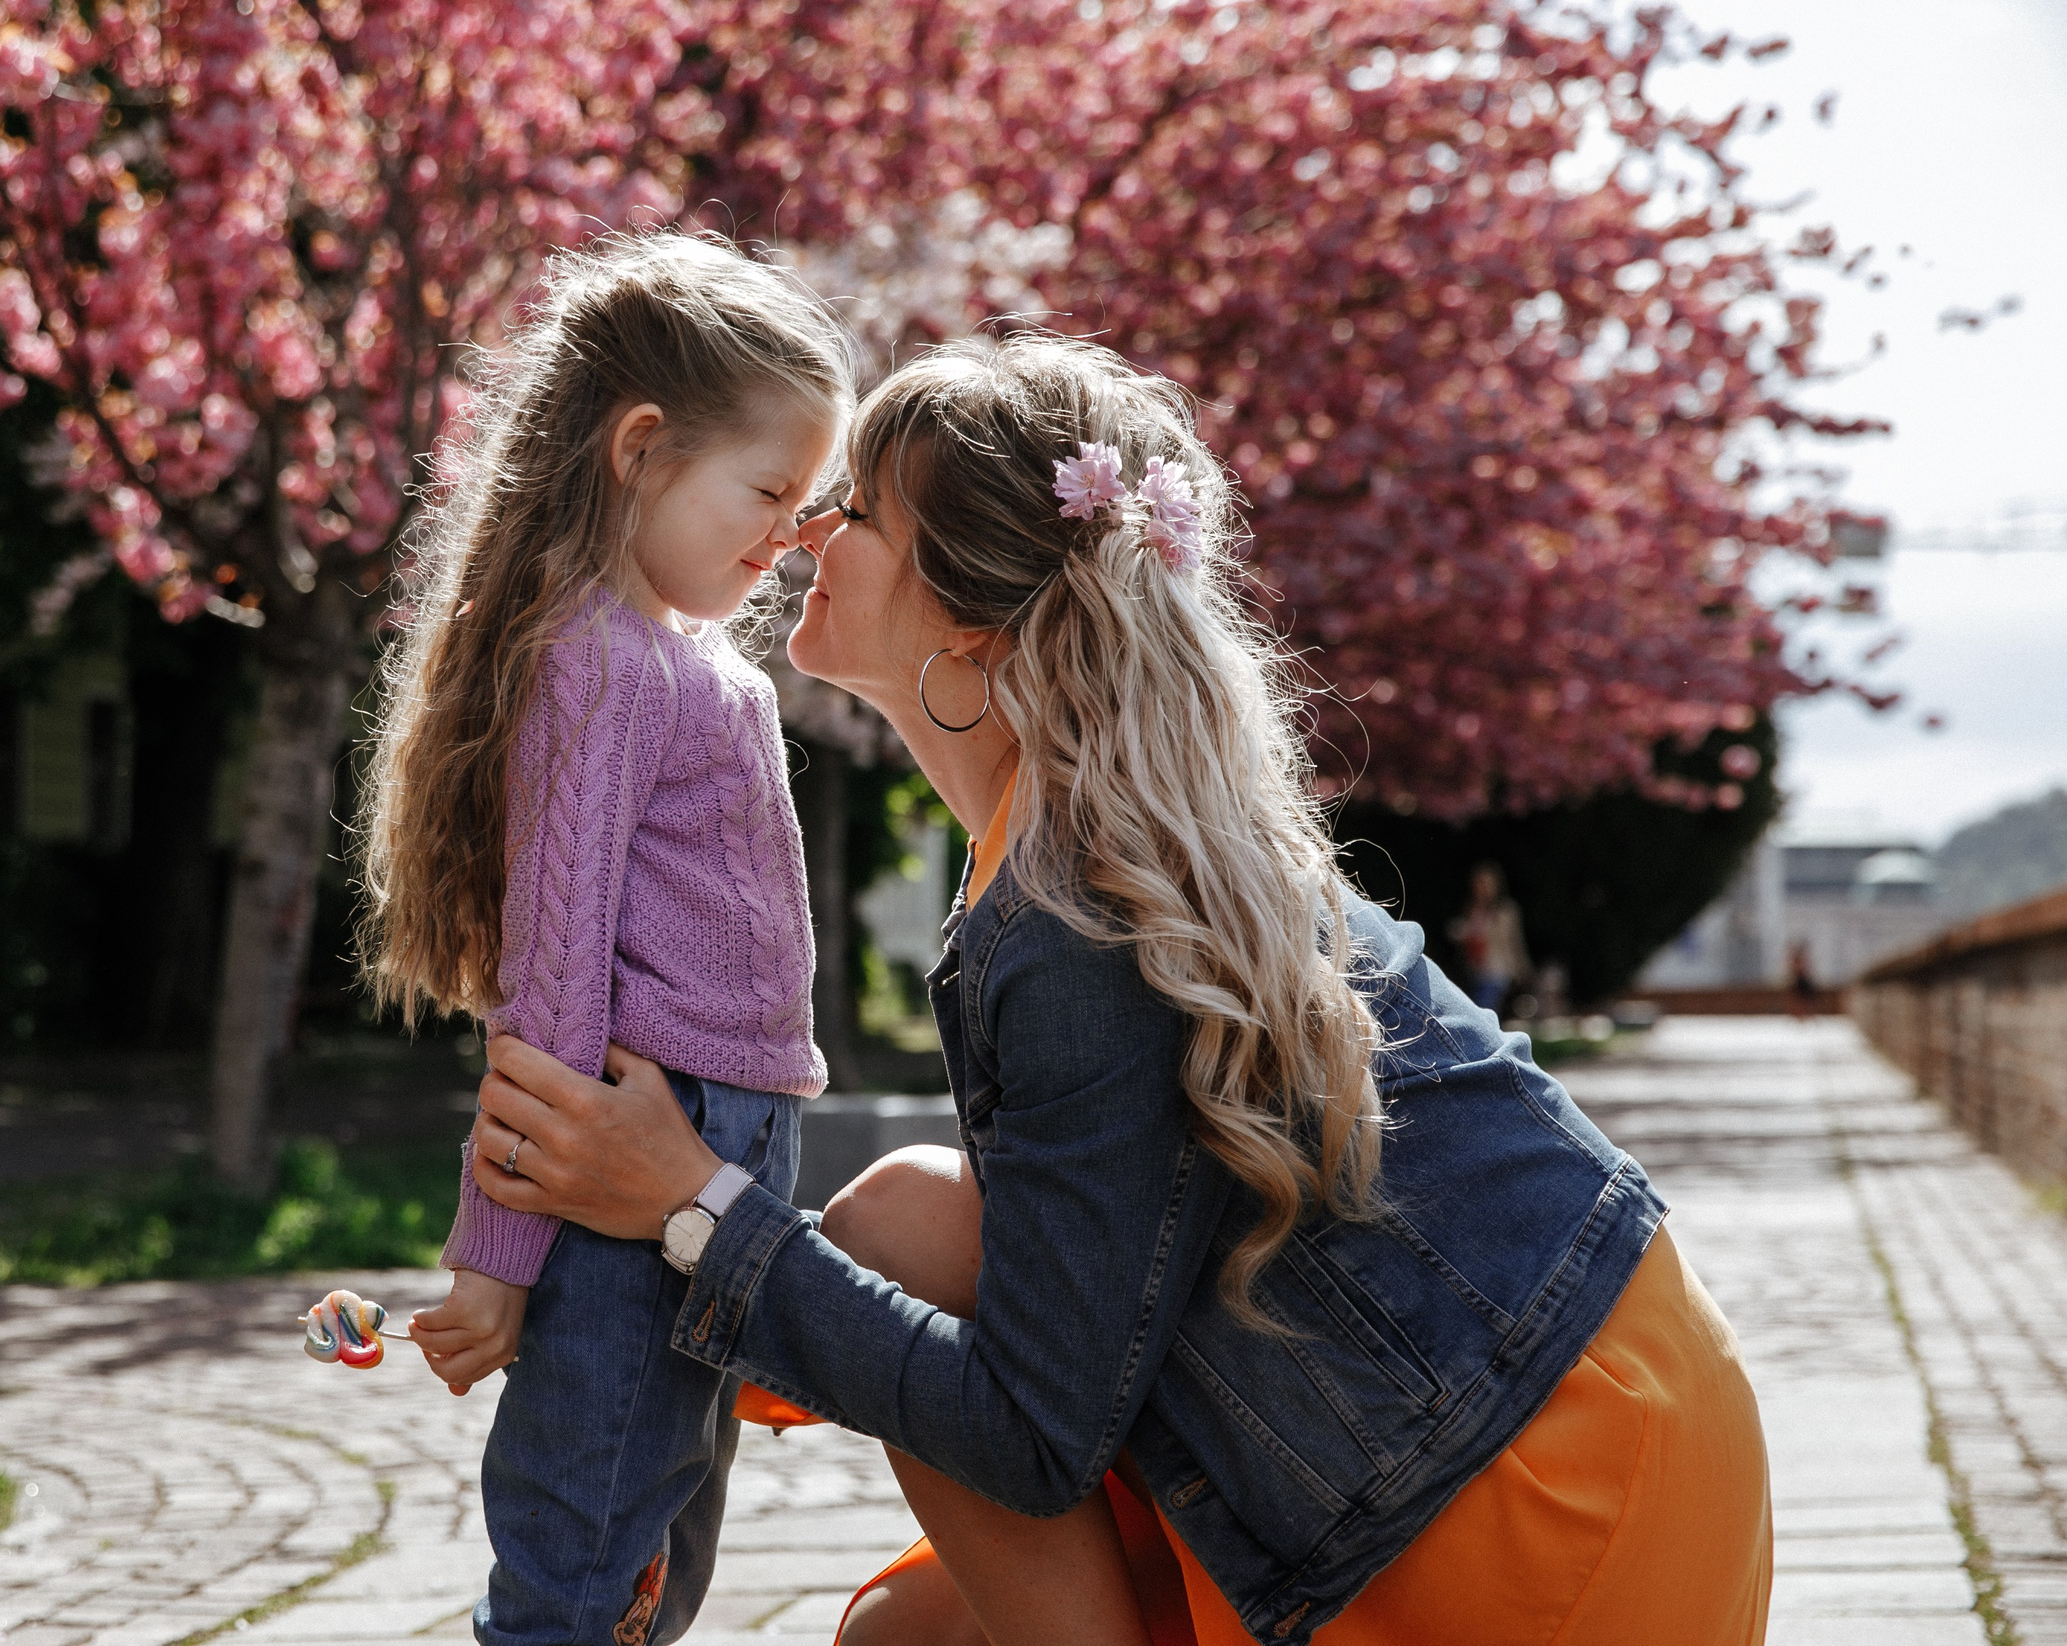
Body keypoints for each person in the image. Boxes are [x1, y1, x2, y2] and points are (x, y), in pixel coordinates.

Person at [463, 334, 1773, 1645]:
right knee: (899, 1632)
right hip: (1589, 1419)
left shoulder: (1078, 911)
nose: (804, 528)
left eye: (855, 509)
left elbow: (1028, 1436)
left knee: (888, 1234)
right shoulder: (1074, 844)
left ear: (968, 621)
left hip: (1536, 1499)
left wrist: (695, 1207)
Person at [354, 231, 856, 1646]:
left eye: (806, 507)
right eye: (767, 491)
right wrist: (496, 1254)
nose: (784, 538)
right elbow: (555, 983)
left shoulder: (679, 655)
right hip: (634, 1153)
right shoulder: (598, 658)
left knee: (662, 1530)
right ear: (640, 447)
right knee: (583, 1545)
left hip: (715, 1144)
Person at [1450, 861, 1530, 1020]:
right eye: (1478, 883)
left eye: (1486, 883)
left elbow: (1514, 943)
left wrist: (1523, 970)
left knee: (1484, 1012)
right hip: (1476, 971)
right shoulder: (1472, 909)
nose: (1482, 888)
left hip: (1498, 971)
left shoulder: (1506, 911)